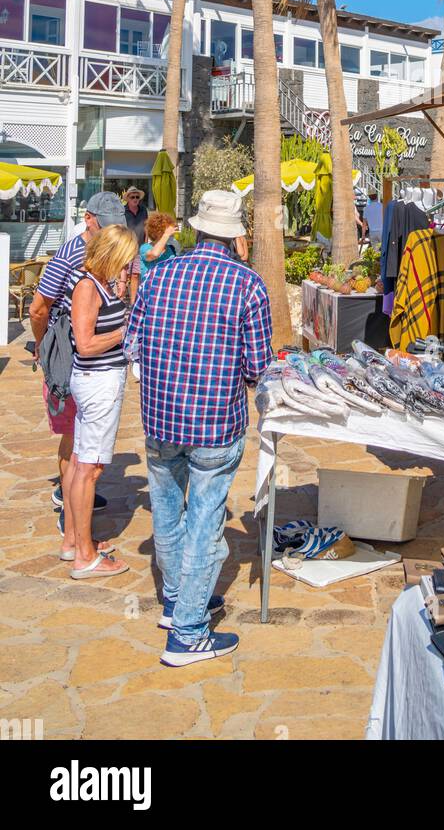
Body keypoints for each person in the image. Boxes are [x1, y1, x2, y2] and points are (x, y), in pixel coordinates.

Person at [124, 189, 272, 666]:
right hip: (214, 423)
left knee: (168, 513)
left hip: (162, 417)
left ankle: (175, 601)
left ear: (197, 228)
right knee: (205, 521)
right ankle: (187, 632)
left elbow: (133, 345)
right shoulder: (248, 286)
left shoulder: (158, 276)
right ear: (234, 236)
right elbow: (257, 367)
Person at [29, 191, 138, 547]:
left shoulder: (107, 261)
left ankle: (76, 513)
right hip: (73, 357)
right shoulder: (73, 259)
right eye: (104, 225)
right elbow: (39, 308)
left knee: (80, 447)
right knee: (75, 446)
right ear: (89, 218)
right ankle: (71, 518)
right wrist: (45, 350)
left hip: (86, 359)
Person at [66, 225, 139, 579]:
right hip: (96, 384)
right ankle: (85, 556)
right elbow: (85, 344)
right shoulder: (86, 287)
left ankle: (80, 542)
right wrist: (125, 333)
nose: (129, 266)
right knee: (89, 468)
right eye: (126, 260)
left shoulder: (101, 283)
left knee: (84, 462)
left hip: (98, 383)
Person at [138, 212, 179, 281]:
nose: (171, 232)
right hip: (150, 288)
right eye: (167, 229)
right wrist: (166, 234)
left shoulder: (170, 249)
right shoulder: (144, 248)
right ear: (158, 231)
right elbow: (154, 254)